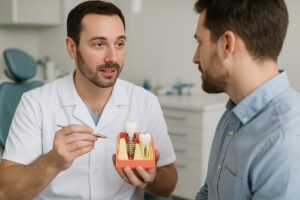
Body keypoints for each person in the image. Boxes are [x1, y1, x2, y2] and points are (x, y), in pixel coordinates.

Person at [0, 1, 177, 199]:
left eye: (119, 44)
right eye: (99, 44)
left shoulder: (145, 102)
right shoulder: (35, 103)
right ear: (72, 48)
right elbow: (6, 192)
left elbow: (169, 184)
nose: (112, 57)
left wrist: (152, 178)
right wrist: (51, 162)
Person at [192, 0, 300, 200]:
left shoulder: (285, 141)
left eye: (200, 43)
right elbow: (209, 192)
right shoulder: (233, 114)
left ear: (227, 44)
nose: (195, 57)